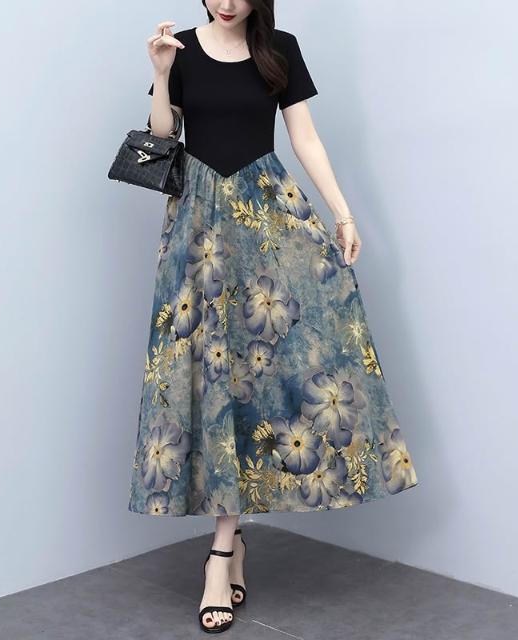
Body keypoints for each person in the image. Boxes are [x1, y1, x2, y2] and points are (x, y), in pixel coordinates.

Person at [127, 0, 419, 633]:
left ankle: (222, 553)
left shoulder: (278, 47)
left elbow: (303, 136)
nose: (226, 1)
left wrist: (342, 214)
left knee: (262, 370)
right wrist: (160, 73)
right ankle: (227, 545)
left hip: (264, 213)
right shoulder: (182, 51)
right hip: (198, 226)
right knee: (209, 375)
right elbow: (161, 138)